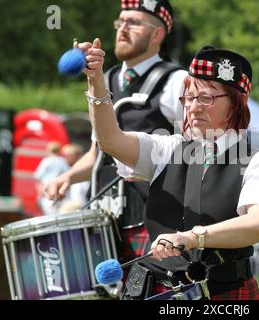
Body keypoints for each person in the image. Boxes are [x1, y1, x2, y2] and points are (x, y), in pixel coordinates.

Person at [83, 42, 259, 299]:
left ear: (236, 102)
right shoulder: (169, 148)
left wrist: (193, 237)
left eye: (206, 98)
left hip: (223, 292)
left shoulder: (258, 161)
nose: (193, 107)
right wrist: (96, 80)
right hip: (156, 289)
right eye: (189, 98)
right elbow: (110, 140)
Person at [44, 0, 187, 261]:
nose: (122, 29)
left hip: (153, 221)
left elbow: (195, 150)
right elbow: (98, 154)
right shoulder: (105, 78)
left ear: (157, 34)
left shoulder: (177, 80)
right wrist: (67, 177)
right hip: (105, 219)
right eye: (120, 22)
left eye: (133, 23)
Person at [34, 141, 70, 215]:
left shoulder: (46, 161)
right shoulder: (63, 161)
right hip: (58, 190)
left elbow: (37, 176)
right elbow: (68, 174)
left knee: (48, 214)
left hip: (46, 190)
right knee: (58, 213)